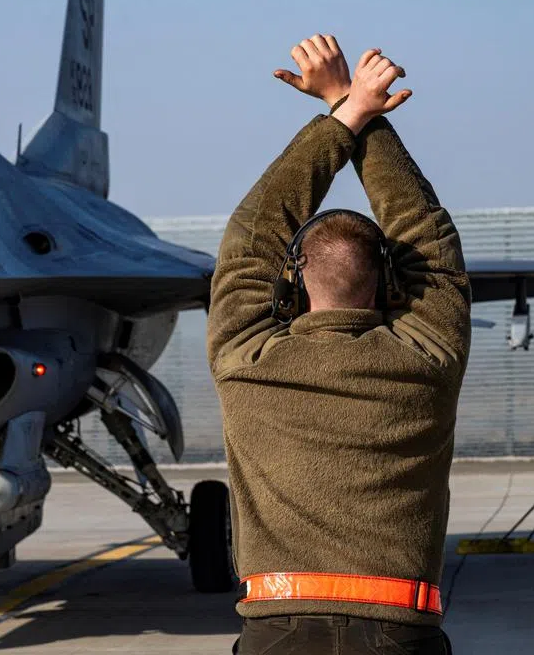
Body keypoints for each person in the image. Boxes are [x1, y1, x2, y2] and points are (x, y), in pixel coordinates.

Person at [208, 34, 471, 655]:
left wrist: (346, 113)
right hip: (401, 634)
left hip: (278, 634)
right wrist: (355, 107)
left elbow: (251, 239)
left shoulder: (247, 360)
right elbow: (431, 248)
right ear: (385, 284)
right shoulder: (426, 359)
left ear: (292, 284)